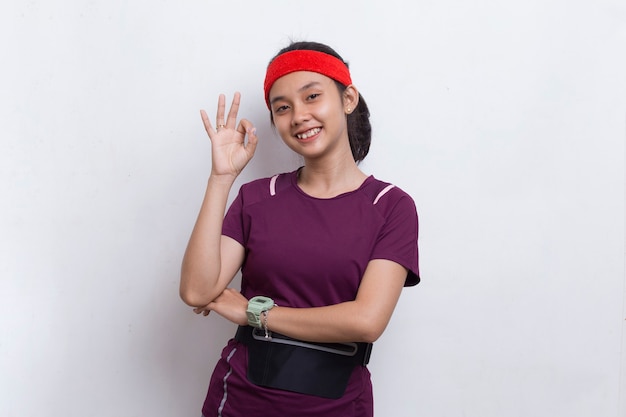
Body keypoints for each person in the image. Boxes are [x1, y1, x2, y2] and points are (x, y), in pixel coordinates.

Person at [180, 41, 420, 417]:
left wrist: (255, 314)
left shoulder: (390, 206)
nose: (298, 116)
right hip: (241, 400)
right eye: (282, 108)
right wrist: (220, 178)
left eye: (312, 96)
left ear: (348, 98)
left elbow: (367, 321)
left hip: (339, 406)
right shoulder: (257, 198)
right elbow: (197, 290)